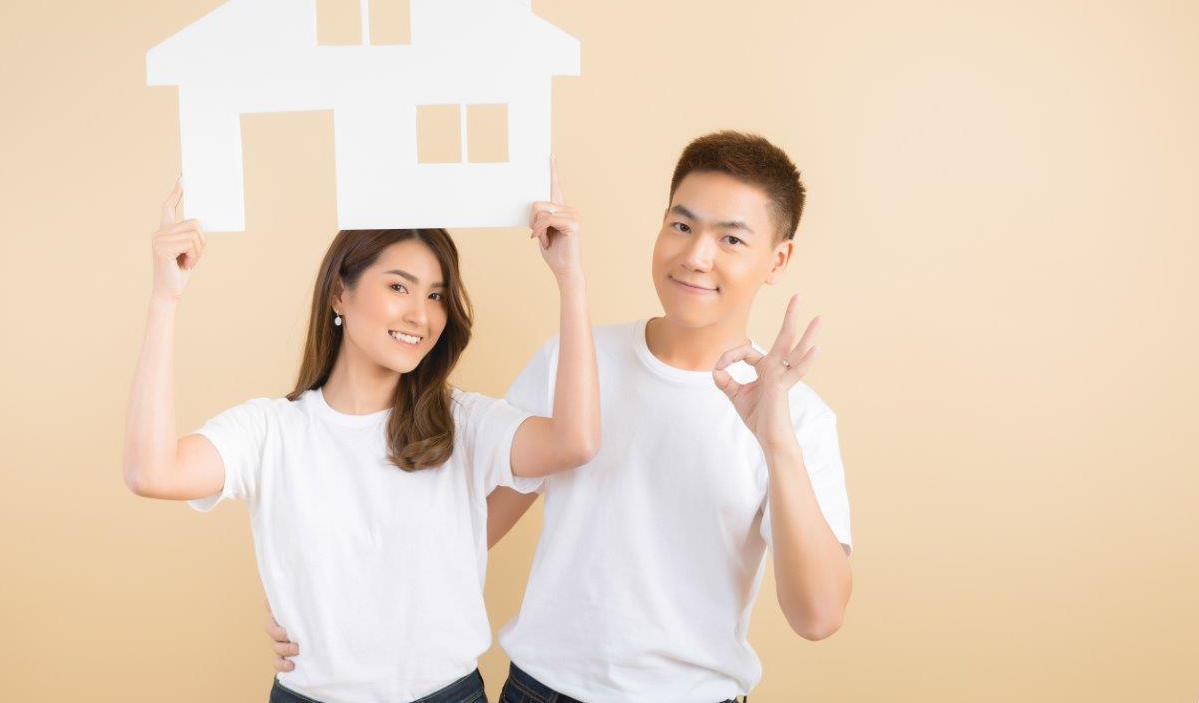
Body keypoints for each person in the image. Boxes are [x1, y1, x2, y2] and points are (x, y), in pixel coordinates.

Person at [271, 130, 853, 703]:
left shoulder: (797, 418)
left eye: (731, 240)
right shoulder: (575, 361)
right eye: (682, 225)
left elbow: (818, 616)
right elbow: (462, 529)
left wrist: (775, 440)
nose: (696, 256)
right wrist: (325, 614)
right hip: (540, 692)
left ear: (778, 260)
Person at [124, 162, 600, 703]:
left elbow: (574, 442)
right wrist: (165, 300)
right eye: (399, 286)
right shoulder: (269, 431)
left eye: (437, 296)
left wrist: (570, 279)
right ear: (339, 295)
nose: (420, 315)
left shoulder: (463, 423)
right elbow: (151, 471)